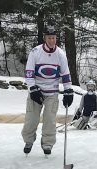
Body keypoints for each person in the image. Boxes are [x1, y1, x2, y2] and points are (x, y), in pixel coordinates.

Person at [21, 22, 74, 155]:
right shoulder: (35, 52)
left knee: (50, 119)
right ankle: (28, 140)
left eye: (54, 38)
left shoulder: (60, 54)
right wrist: (32, 88)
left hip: (52, 91)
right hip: (36, 91)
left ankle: (48, 143)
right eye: (49, 38)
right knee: (31, 118)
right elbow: (29, 72)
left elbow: (66, 73)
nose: (52, 40)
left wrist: (68, 90)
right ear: (45, 38)